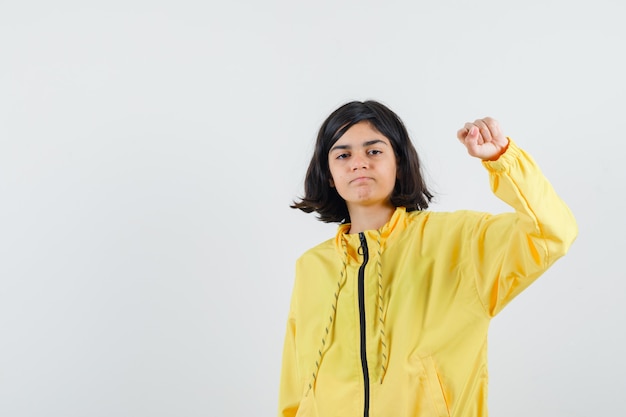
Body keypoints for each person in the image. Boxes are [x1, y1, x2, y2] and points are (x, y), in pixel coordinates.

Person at [278, 100, 577, 417]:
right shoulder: (311, 267)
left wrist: (504, 161)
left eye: (374, 151)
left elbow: (552, 232)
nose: (358, 163)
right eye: (343, 154)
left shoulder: (459, 242)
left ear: (400, 163)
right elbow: (296, 390)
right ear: (328, 174)